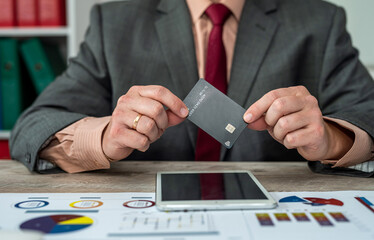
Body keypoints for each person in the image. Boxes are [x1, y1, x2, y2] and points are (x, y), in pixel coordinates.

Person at [10, 0, 374, 176]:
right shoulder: (115, 22)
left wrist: (333, 138)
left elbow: (368, 113)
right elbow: (32, 128)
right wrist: (103, 136)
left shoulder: (319, 21)